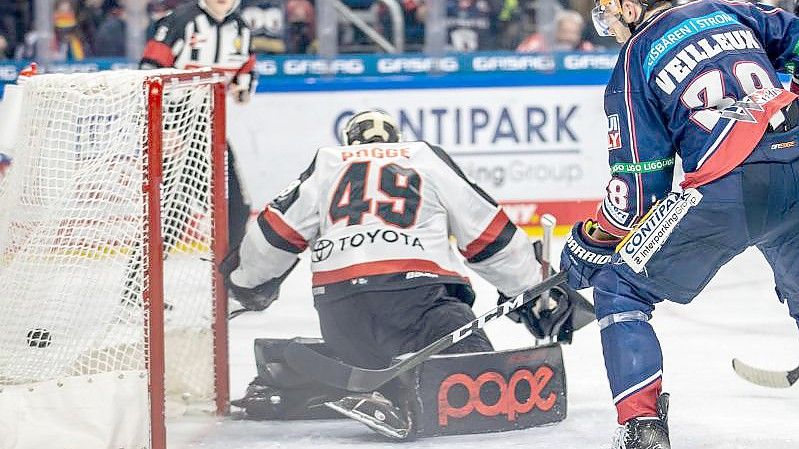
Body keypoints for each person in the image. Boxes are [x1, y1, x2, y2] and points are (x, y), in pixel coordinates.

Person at [220, 110, 562, 439]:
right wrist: (533, 291)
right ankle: (405, 391)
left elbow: (271, 238)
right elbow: (489, 237)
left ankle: (298, 378)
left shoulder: (327, 163)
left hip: (340, 312)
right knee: (479, 373)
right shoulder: (424, 157)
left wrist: (245, 284)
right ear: (396, 138)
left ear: (349, 140)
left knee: (366, 358)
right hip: (418, 300)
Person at [559, 0, 799, 447]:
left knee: (620, 287)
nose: (606, 24)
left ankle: (642, 426)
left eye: (606, 11)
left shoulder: (635, 57)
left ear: (630, 6)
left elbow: (637, 197)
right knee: (784, 237)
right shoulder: (729, 8)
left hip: (732, 187)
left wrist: (588, 242)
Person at [140, 0, 254, 250]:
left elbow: (246, 71)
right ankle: (140, 284)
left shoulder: (242, 28)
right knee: (170, 213)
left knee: (236, 208)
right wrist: (163, 128)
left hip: (208, 130)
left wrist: (242, 89)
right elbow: (148, 72)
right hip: (172, 126)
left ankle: (229, 282)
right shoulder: (180, 20)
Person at [516, 8, 596, 52]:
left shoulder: (585, 48)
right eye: (565, 31)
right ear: (556, 30)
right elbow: (518, 59)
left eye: (573, 33)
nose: (568, 37)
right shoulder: (537, 42)